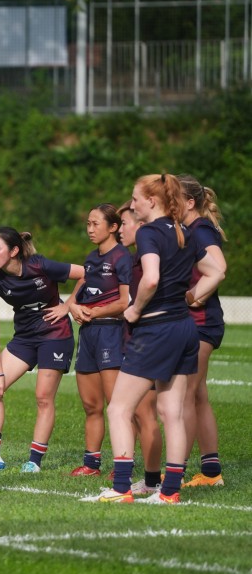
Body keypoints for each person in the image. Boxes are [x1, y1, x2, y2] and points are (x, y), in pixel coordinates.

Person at [86, 174, 221, 504]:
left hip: (156, 329)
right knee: (171, 412)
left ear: (152, 201)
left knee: (118, 408)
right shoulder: (184, 231)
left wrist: (134, 311)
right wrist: (190, 297)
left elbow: (150, 280)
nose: (131, 205)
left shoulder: (148, 232)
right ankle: (169, 492)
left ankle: (121, 489)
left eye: (135, 199)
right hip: (185, 329)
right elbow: (216, 271)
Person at [0, 228, 84, 474]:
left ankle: (34, 461)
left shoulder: (39, 265)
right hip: (25, 338)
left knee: (43, 397)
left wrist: (68, 306)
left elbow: (86, 274)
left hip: (55, 335)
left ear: (14, 251)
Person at [63, 204, 131, 477]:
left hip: (112, 333)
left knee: (116, 405)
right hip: (89, 335)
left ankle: (122, 463)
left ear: (113, 227)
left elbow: (126, 301)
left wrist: (95, 312)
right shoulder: (91, 258)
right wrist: (73, 306)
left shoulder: (123, 257)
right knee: (91, 405)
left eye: (95, 224)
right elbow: (81, 293)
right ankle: (91, 465)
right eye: (88, 224)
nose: (90, 229)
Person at [178, 175, 228, 489]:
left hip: (201, 323)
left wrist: (193, 295)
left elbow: (219, 268)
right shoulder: (191, 230)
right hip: (198, 322)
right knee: (197, 396)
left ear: (190, 202)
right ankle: (211, 472)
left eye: (173, 198)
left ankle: (174, 471)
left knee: (184, 395)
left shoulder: (200, 229)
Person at [116, 204, 165, 496]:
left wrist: (134, 312)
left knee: (146, 412)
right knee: (137, 411)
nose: (120, 229)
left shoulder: (149, 259)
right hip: (135, 337)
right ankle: (152, 479)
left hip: (148, 338)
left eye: (123, 223)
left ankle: (152, 480)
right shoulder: (135, 259)